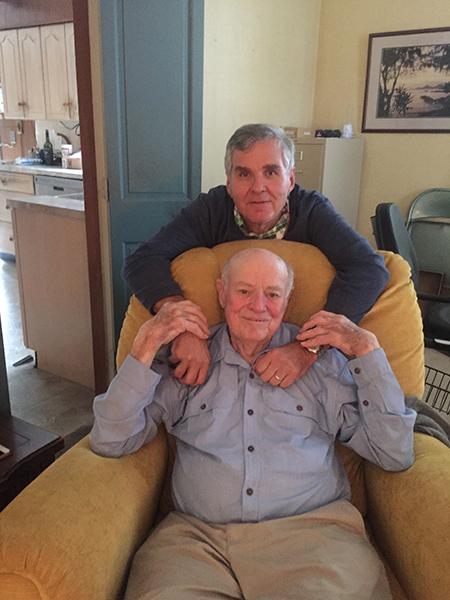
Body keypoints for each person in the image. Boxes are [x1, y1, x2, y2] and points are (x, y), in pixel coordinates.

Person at [91, 248, 415, 600]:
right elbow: (110, 440)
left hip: (315, 541)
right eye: (244, 291)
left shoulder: (321, 362)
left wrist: (366, 349)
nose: (258, 306)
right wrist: (146, 342)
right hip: (197, 545)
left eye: (272, 294)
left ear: (287, 300)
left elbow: (394, 453)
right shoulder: (186, 357)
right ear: (221, 293)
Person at [122, 124, 390, 388]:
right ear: (229, 183)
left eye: (271, 172)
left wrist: (308, 350)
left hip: (301, 373)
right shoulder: (211, 210)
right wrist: (182, 324)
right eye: (244, 174)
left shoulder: (313, 211)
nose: (258, 187)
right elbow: (142, 260)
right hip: (220, 366)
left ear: (291, 180)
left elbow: (369, 268)